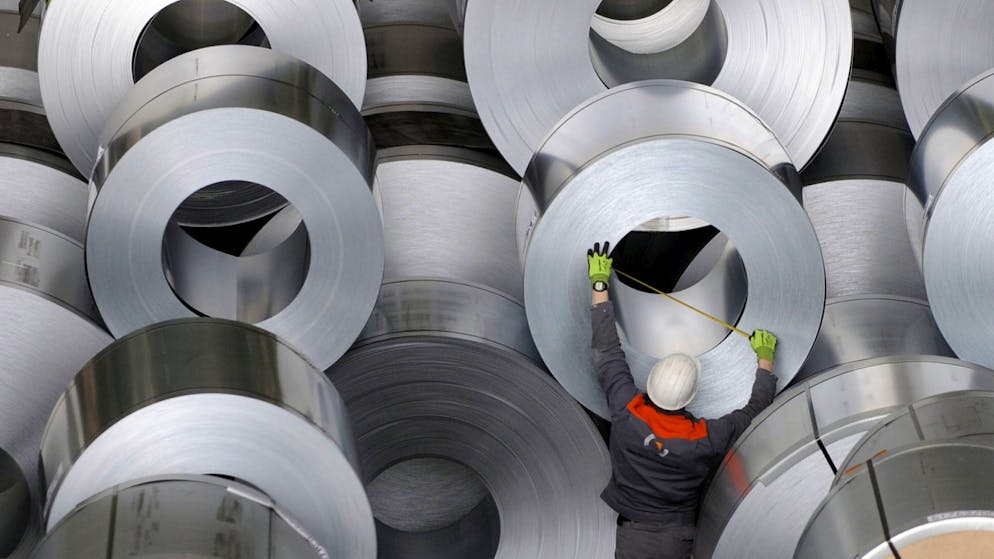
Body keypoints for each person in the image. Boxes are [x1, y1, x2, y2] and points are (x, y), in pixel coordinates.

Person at [586, 241, 778, 559]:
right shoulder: (706, 437)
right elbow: (755, 410)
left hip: (632, 535)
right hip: (678, 538)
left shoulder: (625, 409)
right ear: (692, 396)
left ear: (651, 380)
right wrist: (765, 359)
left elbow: (606, 351)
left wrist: (599, 283)